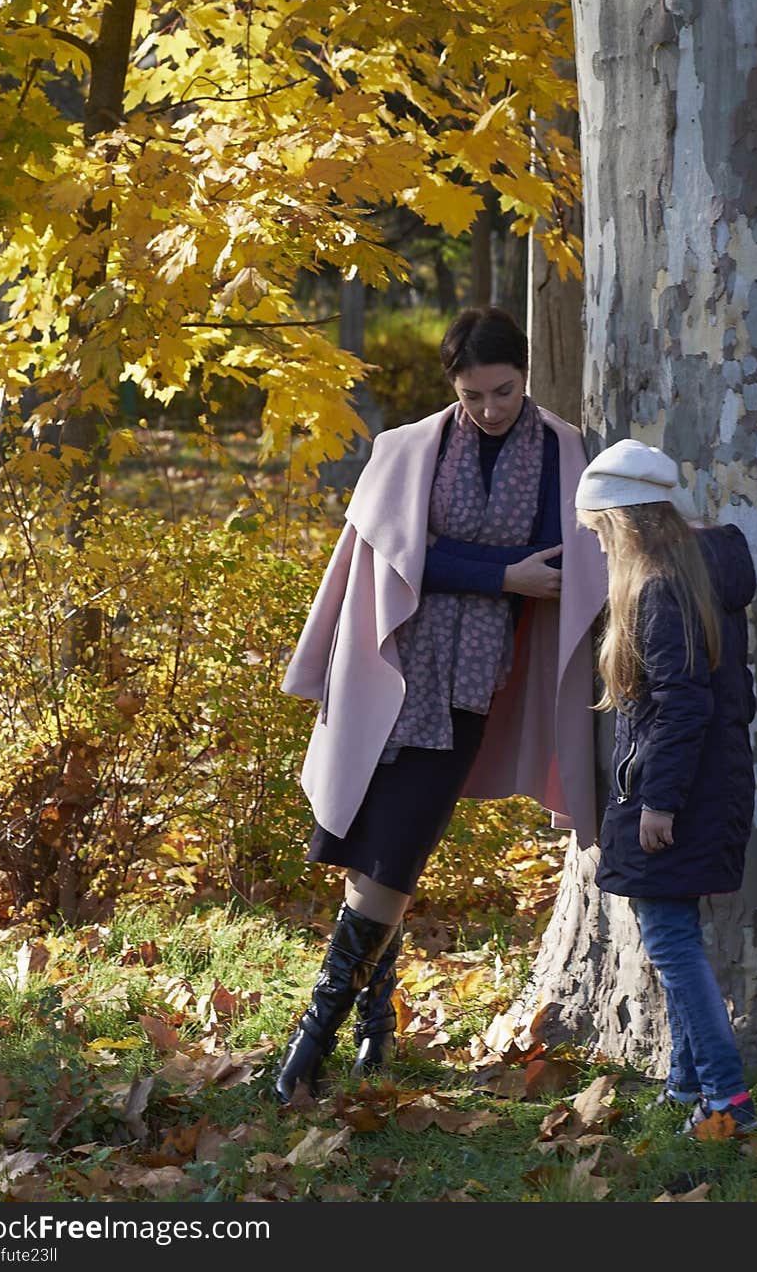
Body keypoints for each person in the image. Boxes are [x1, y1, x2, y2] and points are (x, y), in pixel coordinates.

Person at [275, 305, 607, 1103]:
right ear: (452, 387)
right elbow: (400, 551)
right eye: (473, 395)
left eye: (503, 390)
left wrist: (474, 567)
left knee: (393, 851)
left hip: (470, 685)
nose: (490, 408)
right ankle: (374, 1030)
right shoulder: (411, 448)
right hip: (389, 672)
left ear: (524, 376)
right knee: (373, 849)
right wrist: (500, 575)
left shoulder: (561, 451)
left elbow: (557, 556)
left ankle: (307, 1048)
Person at [574, 437, 757, 1135]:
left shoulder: (660, 586)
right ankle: (686, 1086)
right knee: (674, 934)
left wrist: (657, 802)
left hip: (679, 796)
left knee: (674, 946)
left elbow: (684, 705)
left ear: (623, 522)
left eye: (599, 533)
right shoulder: (699, 573)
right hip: (712, 787)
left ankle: (726, 1101)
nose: (598, 549)